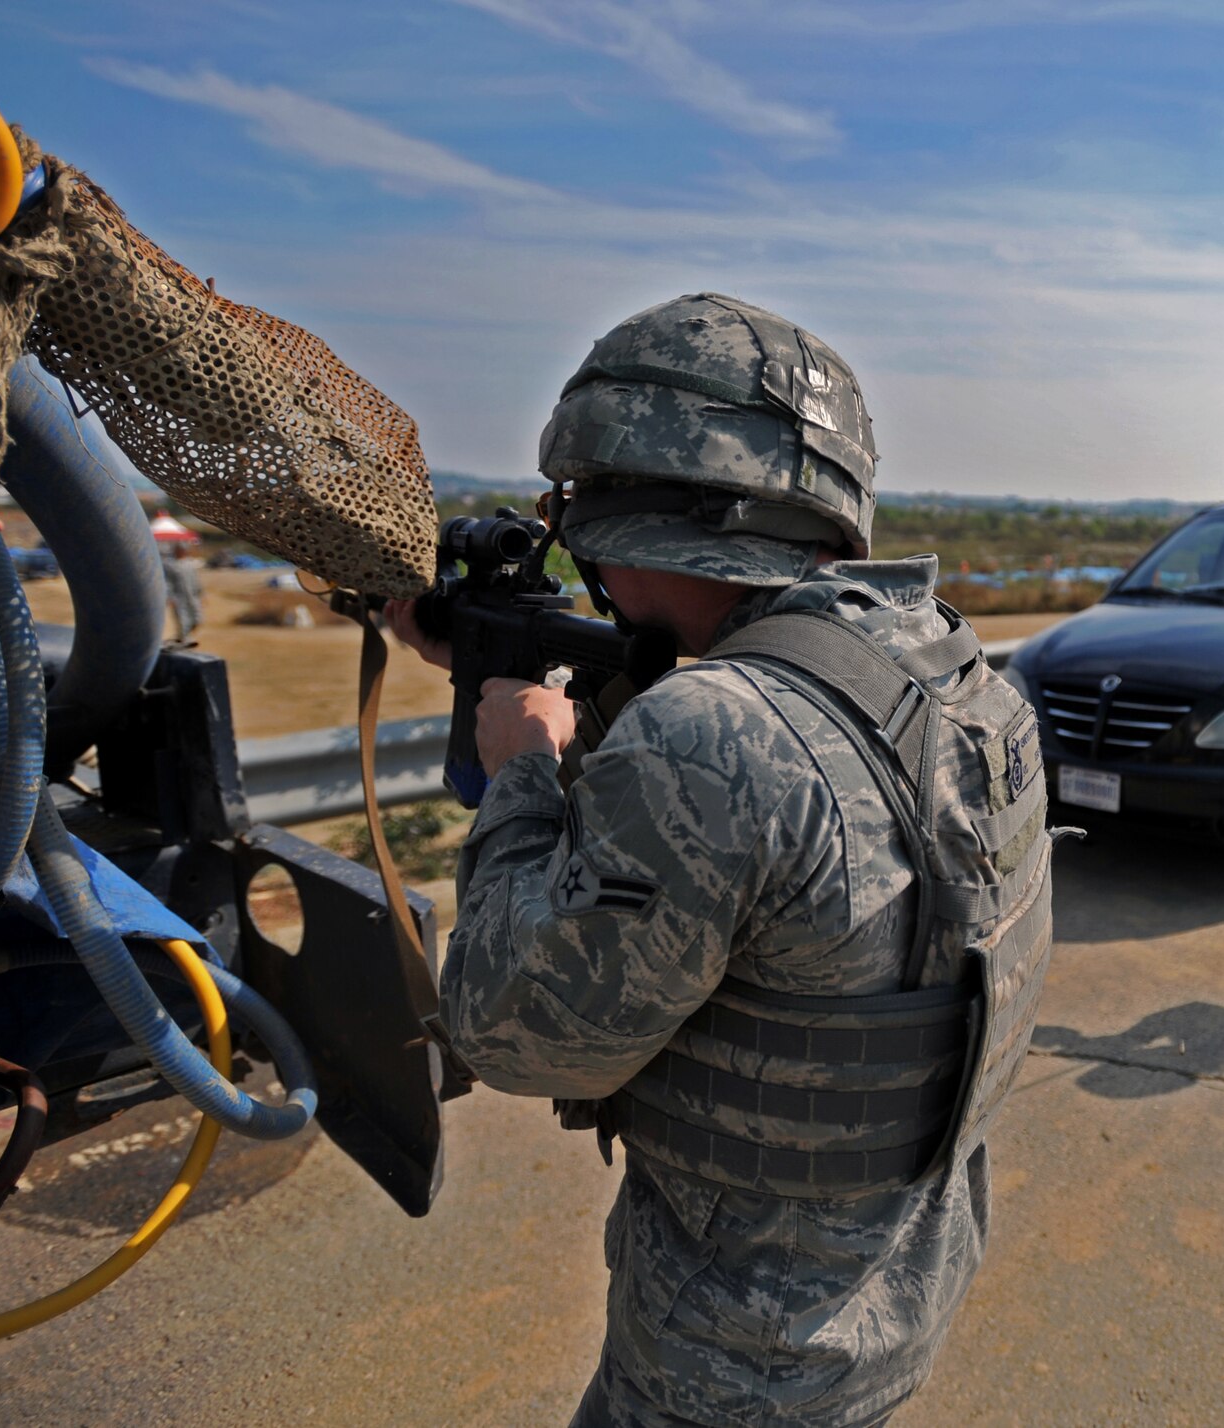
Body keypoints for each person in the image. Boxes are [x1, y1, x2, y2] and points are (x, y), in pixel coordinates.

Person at [387, 293, 1054, 1427]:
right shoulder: (954, 678)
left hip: (728, 1363)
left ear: (625, 514)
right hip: (889, 1291)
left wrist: (521, 775)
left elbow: (512, 1030)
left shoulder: (709, 731)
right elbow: (782, 826)